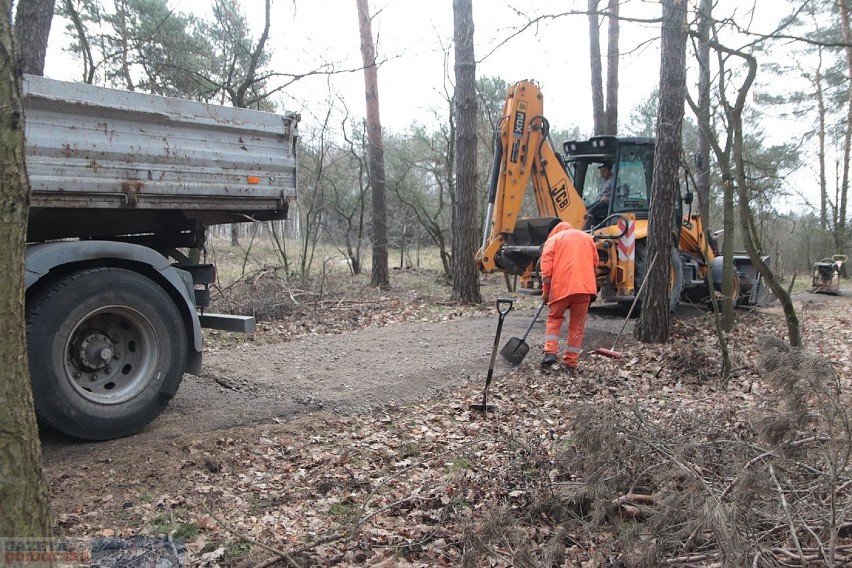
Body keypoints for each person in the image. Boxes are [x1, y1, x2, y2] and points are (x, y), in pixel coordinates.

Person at [539, 220, 600, 373]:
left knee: (554, 318)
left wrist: (546, 292)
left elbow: (546, 272)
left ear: (552, 230)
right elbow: (595, 263)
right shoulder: (587, 238)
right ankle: (571, 362)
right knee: (577, 325)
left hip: (561, 287)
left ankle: (550, 353)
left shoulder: (552, 240)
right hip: (584, 289)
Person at [584, 161, 614, 229]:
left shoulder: (613, 181)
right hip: (599, 202)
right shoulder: (605, 181)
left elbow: (617, 197)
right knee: (586, 208)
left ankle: (587, 230)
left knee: (589, 213)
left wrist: (607, 199)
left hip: (606, 205)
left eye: (604, 171)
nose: (602, 173)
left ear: (610, 170)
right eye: (601, 171)